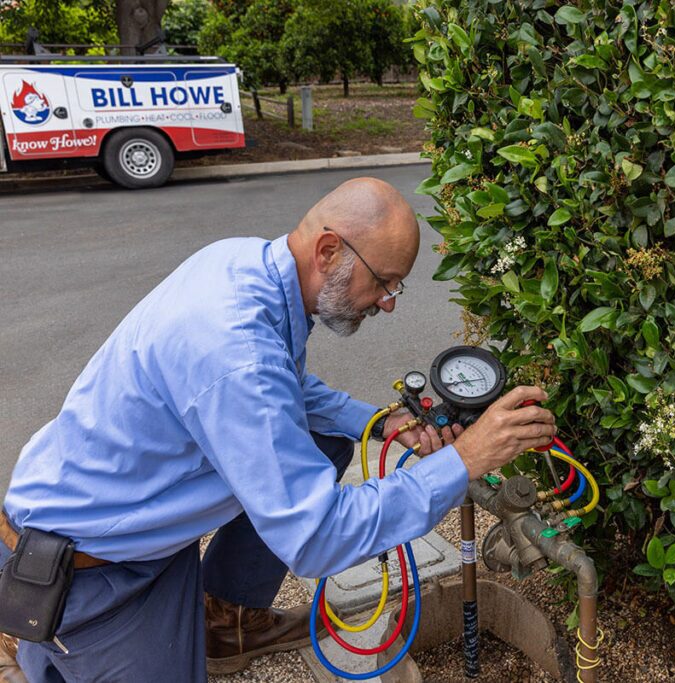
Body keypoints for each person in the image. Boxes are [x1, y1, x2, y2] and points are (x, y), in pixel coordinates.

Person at [0, 177, 556, 682]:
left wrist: (381, 423)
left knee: (329, 437)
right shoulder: (237, 353)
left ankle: (226, 619)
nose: (387, 304)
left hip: (122, 525)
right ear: (329, 250)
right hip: (85, 573)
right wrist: (463, 461)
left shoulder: (244, 264)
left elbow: (285, 389)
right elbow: (316, 538)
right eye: (384, 282)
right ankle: (32, 641)